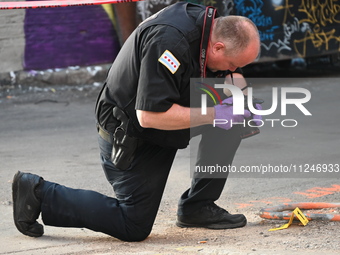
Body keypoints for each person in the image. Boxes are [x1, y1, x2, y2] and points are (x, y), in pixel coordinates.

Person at [12, 2, 261, 242]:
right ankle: (37, 192)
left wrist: (243, 102)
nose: (234, 71)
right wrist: (217, 114)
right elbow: (150, 115)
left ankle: (198, 206)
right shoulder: (170, 42)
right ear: (217, 48)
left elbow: (232, 76)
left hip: (162, 111)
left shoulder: (207, 25)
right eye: (233, 64)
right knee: (133, 224)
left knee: (235, 116)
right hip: (130, 130)